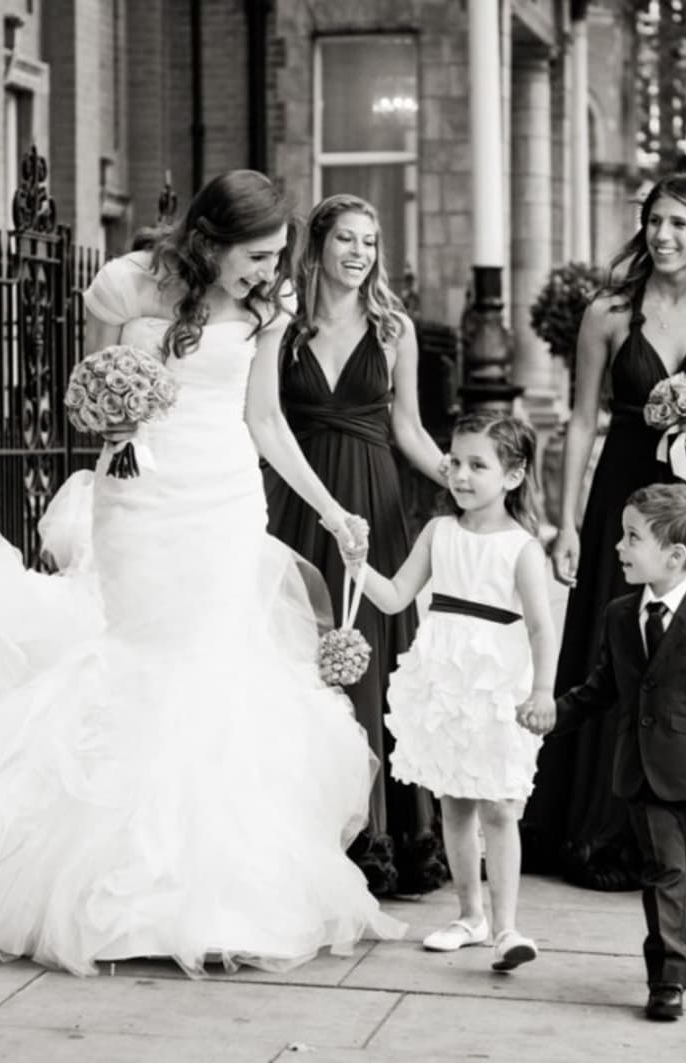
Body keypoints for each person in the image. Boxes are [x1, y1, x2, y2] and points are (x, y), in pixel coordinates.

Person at [0, 169, 406, 976]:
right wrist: (113, 420)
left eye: (277, 255)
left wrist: (333, 510)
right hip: (141, 502)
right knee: (144, 664)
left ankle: (216, 896)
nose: (269, 270)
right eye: (256, 255)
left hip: (226, 502)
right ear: (210, 241)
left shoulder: (271, 305)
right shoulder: (125, 286)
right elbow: (87, 396)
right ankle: (122, 889)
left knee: (218, 673)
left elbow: (265, 420)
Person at [524, 173, 686, 893]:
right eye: (655, 221)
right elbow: (581, 420)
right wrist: (565, 522)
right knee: (612, 642)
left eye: (680, 224)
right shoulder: (608, 313)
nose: (664, 235)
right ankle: (603, 821)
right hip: (624, 487)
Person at [265, 193, 450, 897]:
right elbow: (262, 419)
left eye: (369, 242)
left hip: (374, 505)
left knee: (371, 658)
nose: (359, 253)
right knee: (300, 651)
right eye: (346, 239)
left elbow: (409, 428)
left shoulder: (394, 328)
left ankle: (379, 831)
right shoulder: (282, 325)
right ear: (317, 245)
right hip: (301, 502)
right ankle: (302, 824)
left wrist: (461, 479)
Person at [538, 483, 686, 1022]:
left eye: (632, 537)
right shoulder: (620, 615)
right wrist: (553, 715)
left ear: (675, 555)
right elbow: (602, 687)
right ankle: (667, 977)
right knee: (665, 871)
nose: (619, 546)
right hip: (643, 772)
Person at [346, 411, 557, 972]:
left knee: (500, 806)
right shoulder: (438, 533)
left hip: (497, 685)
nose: (461, 475)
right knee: (455, 803)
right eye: (456, 462)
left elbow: (542, 628)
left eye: (477, 465)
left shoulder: (521, 548)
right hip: (446, 682)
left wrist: (543, 691)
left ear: (513, 476)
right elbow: (394, 597)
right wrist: (357, 566)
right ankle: (469, 916)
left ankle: (507, 927)